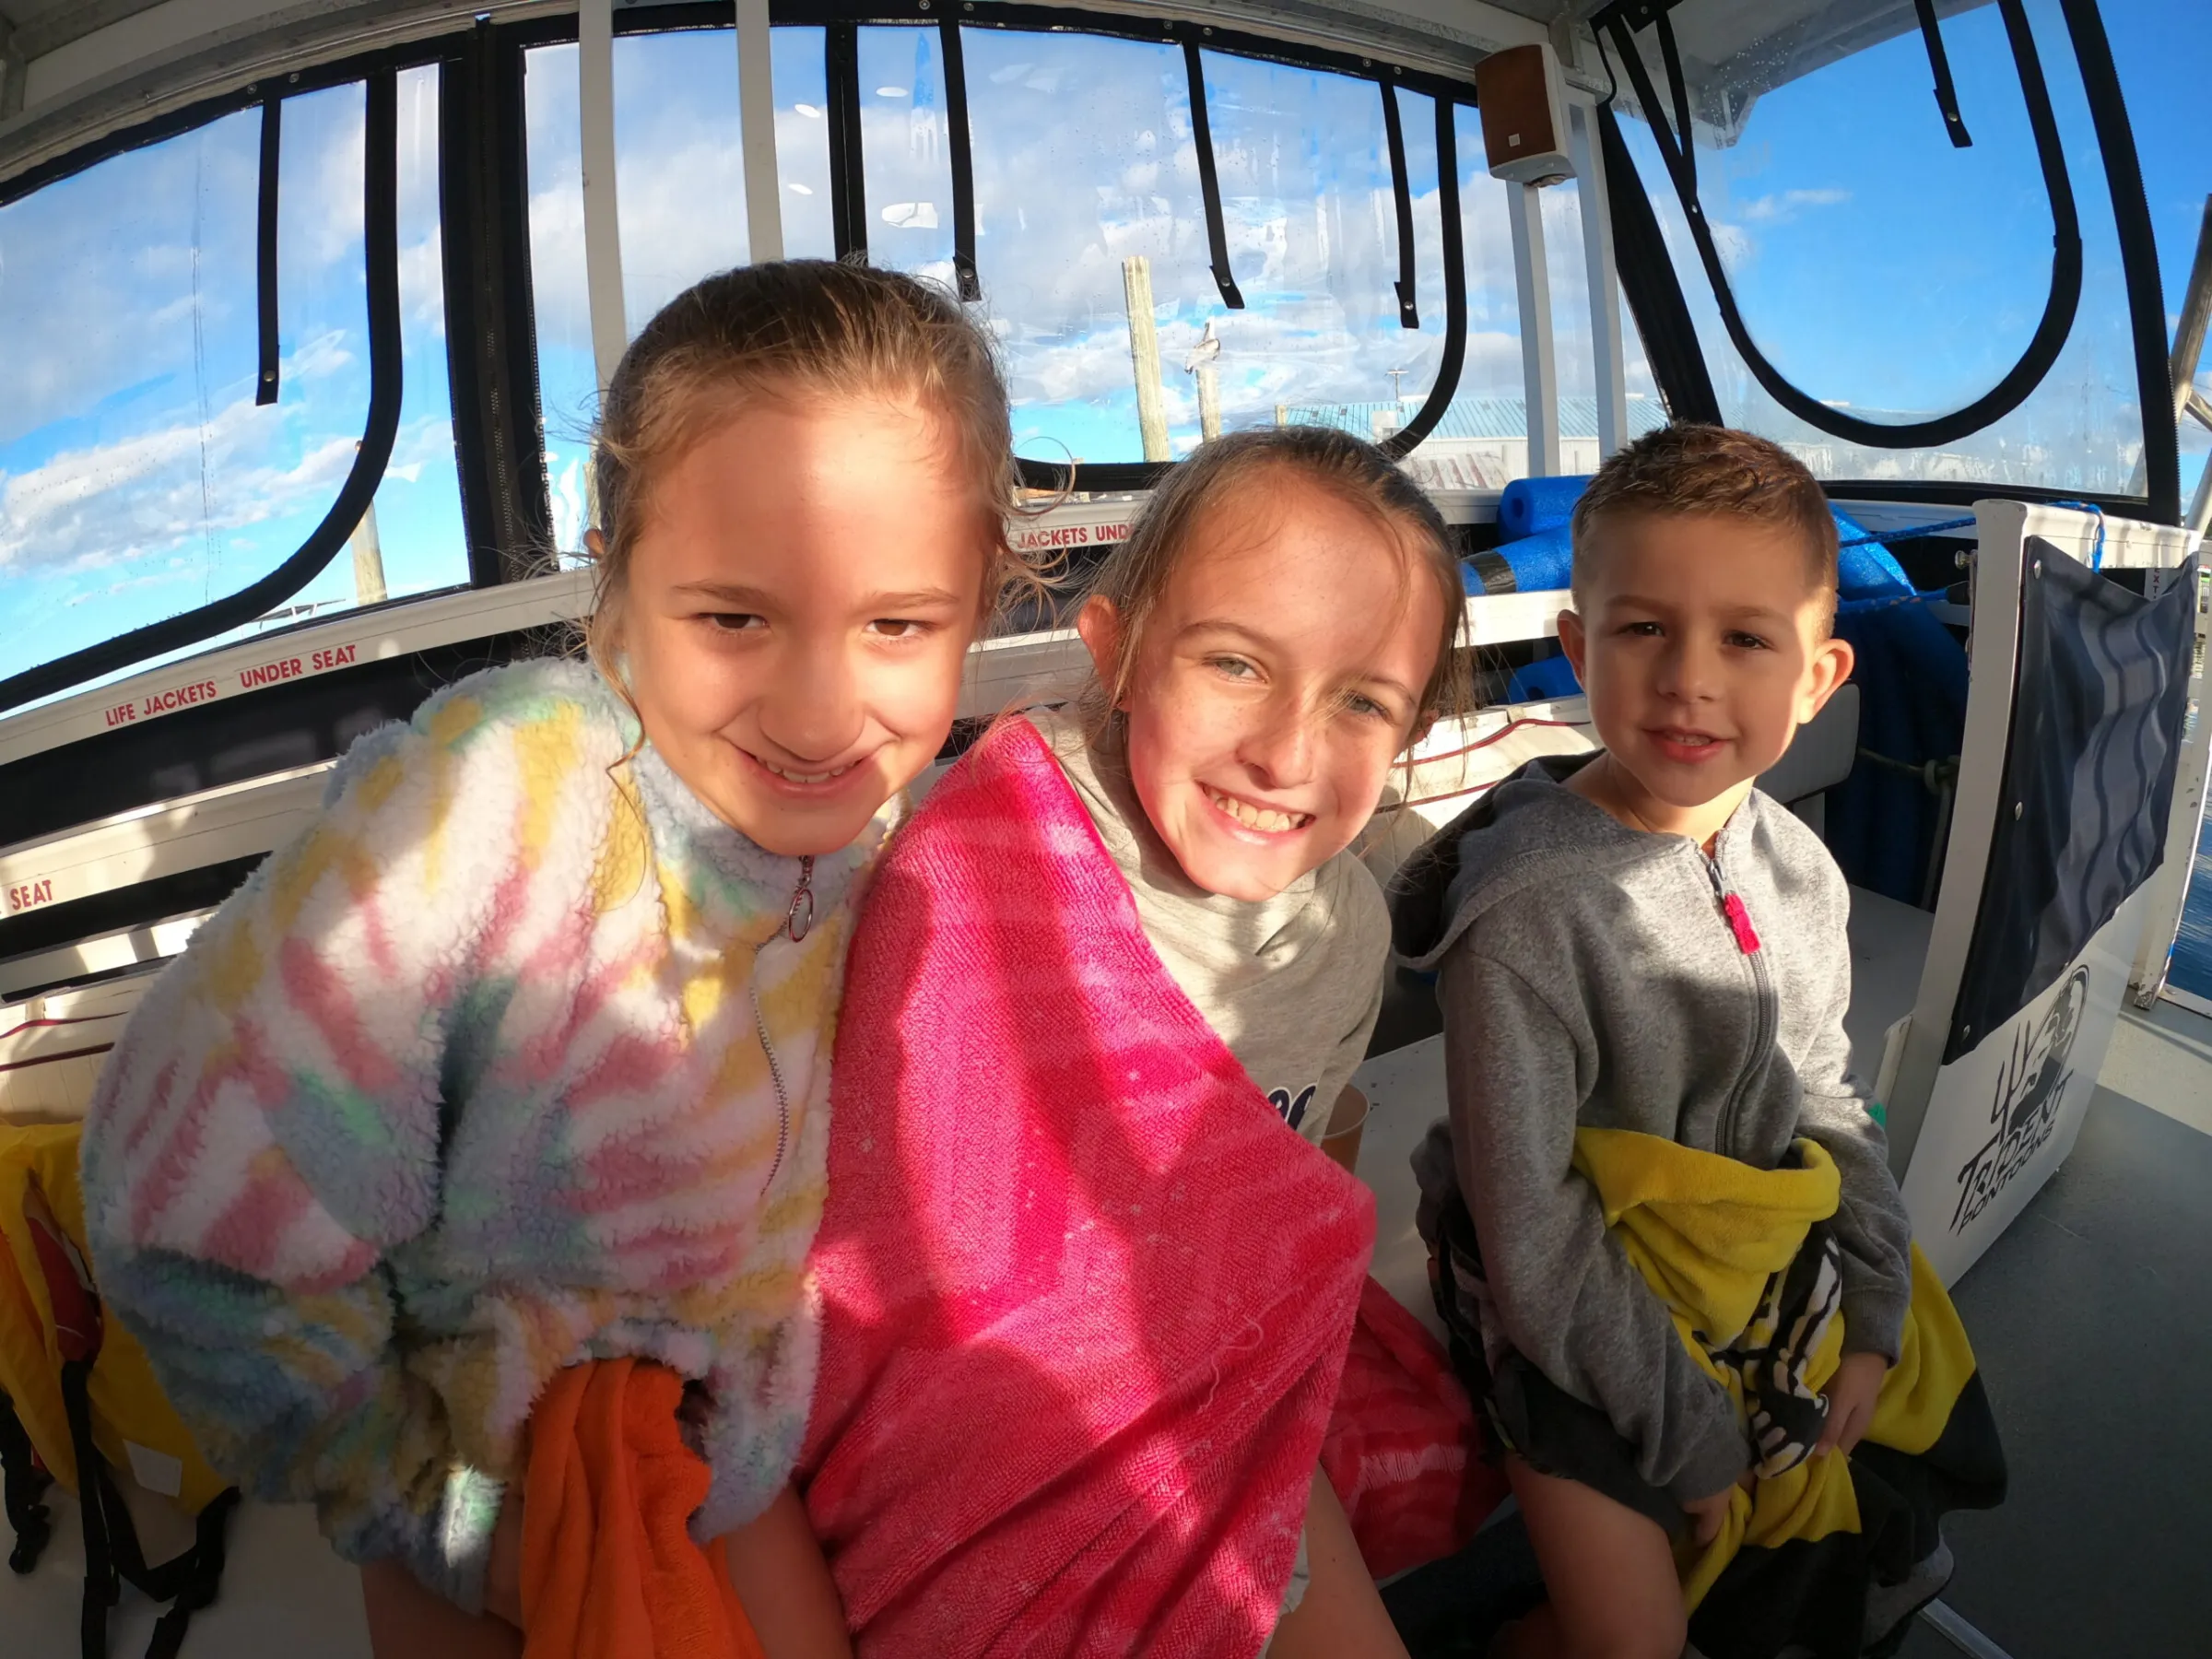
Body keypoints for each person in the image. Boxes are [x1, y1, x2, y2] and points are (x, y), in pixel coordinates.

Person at [77, 261, 1037, 1659]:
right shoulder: (498, 804)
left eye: (898, 624)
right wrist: (423, 1503)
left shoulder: (877, 836)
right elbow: (186, 1196)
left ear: (980, 599)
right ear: (615, 578)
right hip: (481, 1487)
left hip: (725, 1460)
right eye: (735, 619)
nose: (822, 713)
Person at [800, 425, 1470, 1657]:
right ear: (1117, 652)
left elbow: (1296, 1190)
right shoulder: (978, 874)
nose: (1285, 754)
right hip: (993, 1441)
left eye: (1362, 701)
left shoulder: (1348, 935)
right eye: (1236, 663)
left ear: (1413, 728)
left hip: (1214, 1408)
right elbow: (884, 1252)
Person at [1393, 424, 2001, 1659]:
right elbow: (1531, 1236)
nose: (1688, 680)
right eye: (1643, 629)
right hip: (1558, 1297)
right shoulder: (1528, 915)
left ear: (1819, 678)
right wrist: (1690, 1431)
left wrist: (1874, 1303)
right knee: (1636, 1642)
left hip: (1745, 1245)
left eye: (1745, 639)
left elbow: (1825, 1095)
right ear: (1580, 649)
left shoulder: (1801, 872)